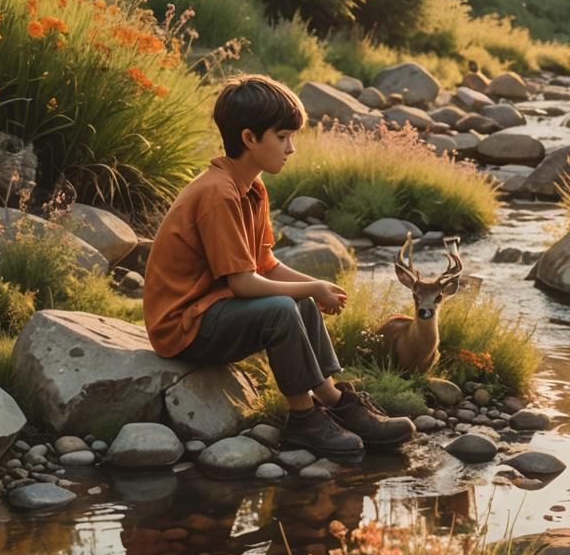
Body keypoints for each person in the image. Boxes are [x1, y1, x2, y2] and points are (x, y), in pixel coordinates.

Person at [143, 74, 414, 459]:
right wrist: (310, 289)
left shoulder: (252, 187)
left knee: (299, 302)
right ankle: (304, 420)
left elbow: (264, 265)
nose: (291, 148)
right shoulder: (217, 193)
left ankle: (333, 401)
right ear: (250, 138)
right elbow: (243, 284)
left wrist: (315, 284)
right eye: (283, 136)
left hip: (213, 309)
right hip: (183, 325)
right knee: (283, 308)